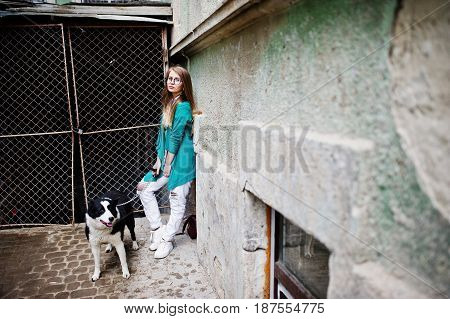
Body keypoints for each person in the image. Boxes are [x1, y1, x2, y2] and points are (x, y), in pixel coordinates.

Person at [137, 65, 198, 259]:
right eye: (169, 79)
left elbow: (176, 138)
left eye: (176, 79)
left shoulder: (183, 107)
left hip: (181, 161)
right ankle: (157, 229)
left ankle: (168, 239)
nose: (171, 82)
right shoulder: (169, 103)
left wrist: (169, 164)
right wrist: (158, 161)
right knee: (144, 189)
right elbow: (162, 136)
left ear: (184, 84)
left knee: (177, 200)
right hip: (167, 159)